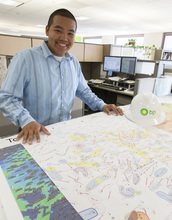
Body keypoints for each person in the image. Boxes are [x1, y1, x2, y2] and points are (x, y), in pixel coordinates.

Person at [0, 8, 123, 145]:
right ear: (47, 30)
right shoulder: (24, 59)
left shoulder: (73, 62)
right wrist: (26, 120)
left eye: (70, 33)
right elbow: (7, 98)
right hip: (35, 134)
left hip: (64, 133)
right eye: (58, 30)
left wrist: (102, 105)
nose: (64, 38)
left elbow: (83, 91)